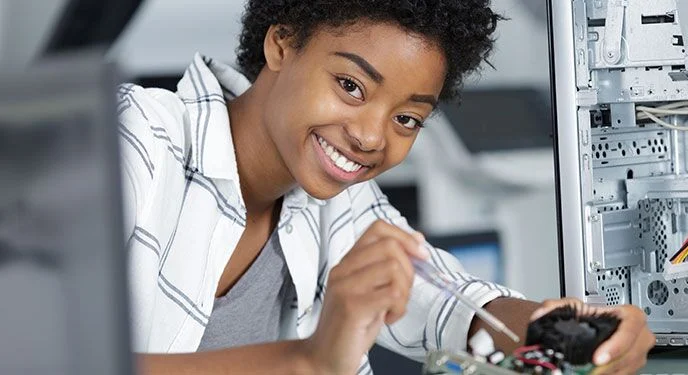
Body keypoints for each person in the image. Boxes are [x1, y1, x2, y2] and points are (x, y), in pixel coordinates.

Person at [117, 1, 655, 374]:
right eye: (351, 86)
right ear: (281, 43)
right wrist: (309, 363)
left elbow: (453, 306)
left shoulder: (339, 205)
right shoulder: (128, 142)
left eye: (407, 119)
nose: (371, 137)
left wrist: (570, 333)